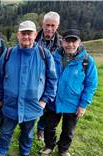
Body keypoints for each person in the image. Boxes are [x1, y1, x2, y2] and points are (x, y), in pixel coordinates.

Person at [0, 20, 57, 156]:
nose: (26, 37)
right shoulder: (8, 54)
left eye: (29, 33)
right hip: (10, 104)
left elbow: (52, 80)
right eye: (23, 33)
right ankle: (1, 154)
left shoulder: (44, 55)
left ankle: (25, 152)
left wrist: (44, 101)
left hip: (32, 105)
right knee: (5, 132)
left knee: (28, 132)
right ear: (18, 35)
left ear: (35, 35)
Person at [40, 29, 98, 156]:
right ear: (62, 41)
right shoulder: (52, 57)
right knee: (49, 127)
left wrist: (83, 105)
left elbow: (91, 85)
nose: (70, 44)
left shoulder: (87, 61)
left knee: (68, 130)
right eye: (67, 41)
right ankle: (49, 146)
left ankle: (63, 149)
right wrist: (44, 98)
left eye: (74, 41)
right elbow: (45, 78)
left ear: (79, 42)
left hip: (74, 103)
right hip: (53, 101)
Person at [35, 11, 62, 141]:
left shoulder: (61, 44)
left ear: (57, 26)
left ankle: (40, 129)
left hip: (51, 80)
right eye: (47, 25)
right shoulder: (34, 38)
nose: (49, 28)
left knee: (47, 106)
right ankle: (25, 128)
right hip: (34, 79)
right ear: (43, 24)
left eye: (53, 25)